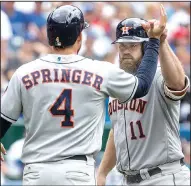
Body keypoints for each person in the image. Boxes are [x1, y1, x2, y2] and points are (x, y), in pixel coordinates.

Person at [1, 4, 165, 185]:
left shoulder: (24, 72)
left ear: (49, 37)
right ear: (79, 37)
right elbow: (142, 86)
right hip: (76, 171)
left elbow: (3, 117)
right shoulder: (100, 70)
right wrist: (154, 42)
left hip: (36, 172)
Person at [97, 5, 190, 186]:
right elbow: (118, 131)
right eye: (122, 45)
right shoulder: (119, 83)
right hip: (128, 180)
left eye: (132, 45)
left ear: (146, 46)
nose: (125, 51)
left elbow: (179, 85)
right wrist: (102, 172)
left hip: (163, 176)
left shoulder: (159, 74)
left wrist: (161, 41)